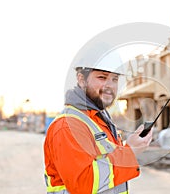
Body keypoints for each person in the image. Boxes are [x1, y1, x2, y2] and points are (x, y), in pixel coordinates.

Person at [43, 42, 153, 194]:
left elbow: (106, 162)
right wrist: (130, 152)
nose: (110, 85)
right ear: (81, 80)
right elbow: (84, 183)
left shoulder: (100, 121)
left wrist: (130, 145)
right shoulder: (68, 126)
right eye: (102, 77)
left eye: (115, 79)